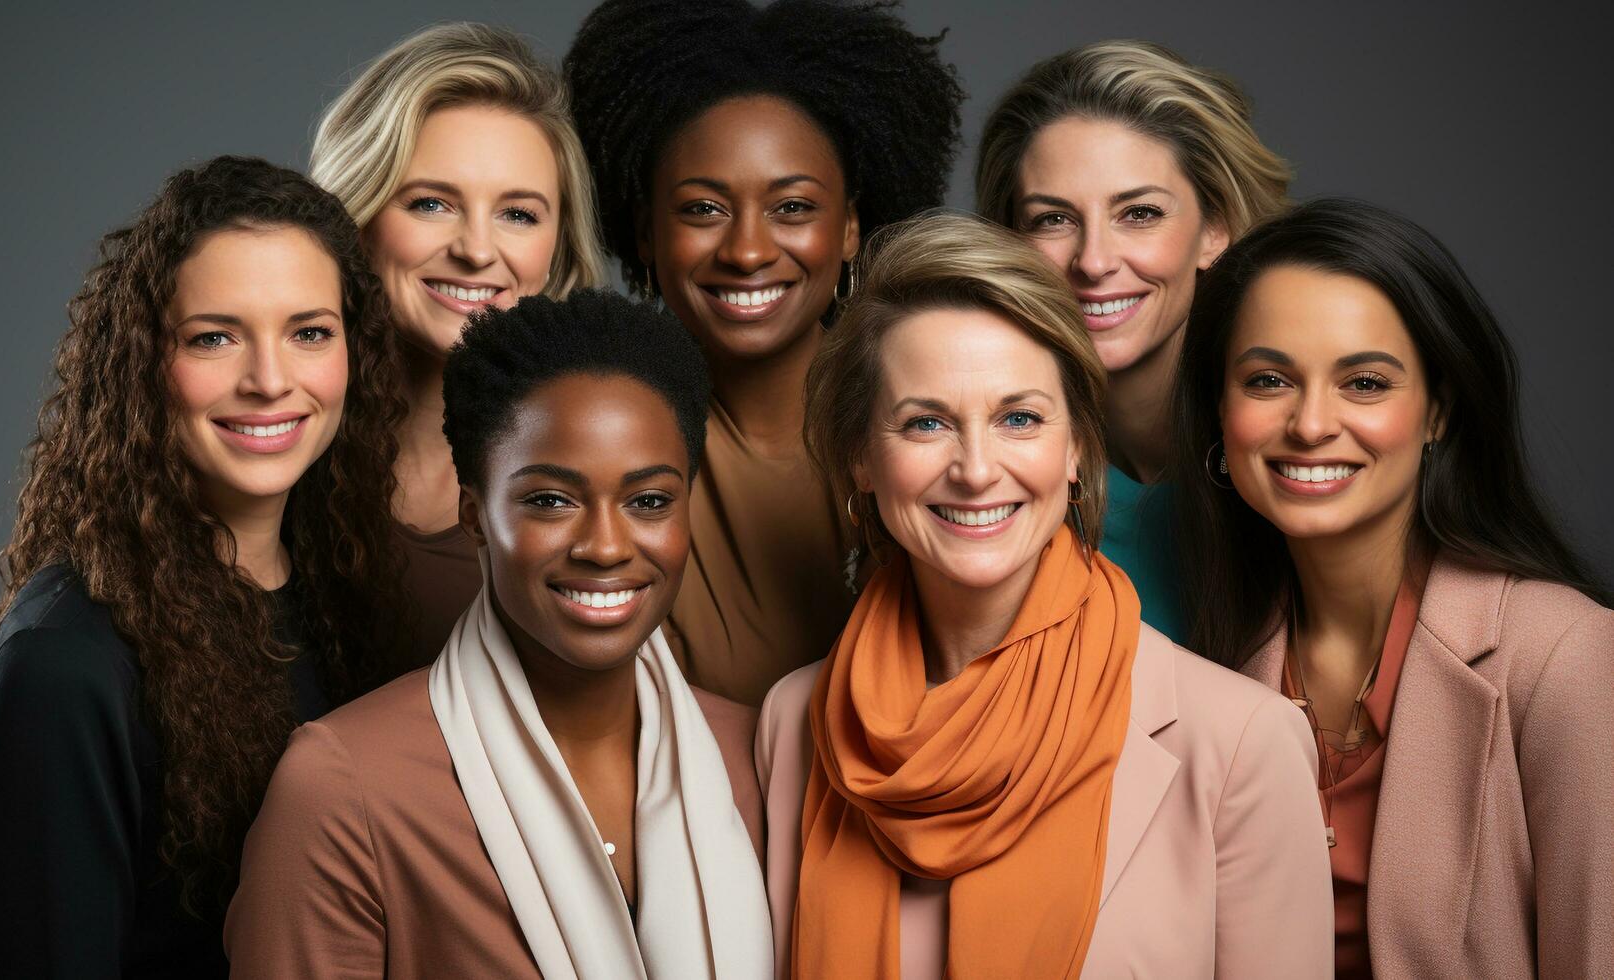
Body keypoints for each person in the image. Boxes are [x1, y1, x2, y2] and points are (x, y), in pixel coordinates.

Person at [760, 211, 1330, 978]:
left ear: (1076, 450)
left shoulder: (1237, 745)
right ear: (862, 457)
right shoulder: (794, 721)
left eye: (1018, 419)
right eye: (925, 422)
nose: (974, 468)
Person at [0, 156, 409, 979]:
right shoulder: (66, 662)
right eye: (214, 337)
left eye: (309, 332)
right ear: (141, 365)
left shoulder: (346, 594)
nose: (270, 381)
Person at [226, 290, 772, 979]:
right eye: (549, 500)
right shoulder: (345, 789)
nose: (605, 546)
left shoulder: (760, 760)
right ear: (473, 513)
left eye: (648, 501)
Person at [1173, 198, 1614, 978]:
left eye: (1364, 383)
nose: (1310, 424)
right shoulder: (1208, 659)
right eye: (1268, 379)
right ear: (1219, 410)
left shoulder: (1564, 657)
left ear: (1437, 409)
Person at [565, 0, 963, 705]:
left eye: (793, 207)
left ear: (849, 228)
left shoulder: (941, 424)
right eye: (702, 209)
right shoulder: (590, 438)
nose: (747, 251)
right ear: (646, 233)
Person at [313, 23, 606, 671]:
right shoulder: (264, 434)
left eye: (518, 214)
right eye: (431, 204)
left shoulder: (597, 468)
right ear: (353, 216)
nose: (477, 250)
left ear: (556, 246)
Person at [975, 40, 1291, 642]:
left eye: (1139, 213)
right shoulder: (993, 474)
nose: (1093, 262)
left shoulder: (1297, 444)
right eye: (1052, 219)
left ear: (1214, 228)